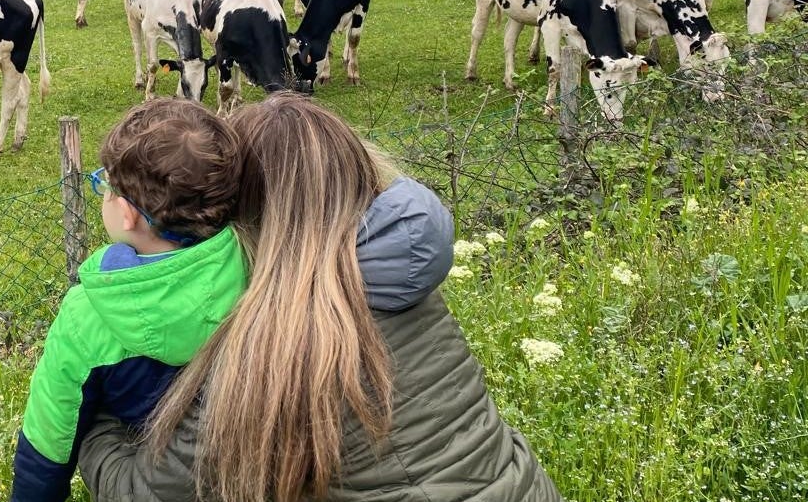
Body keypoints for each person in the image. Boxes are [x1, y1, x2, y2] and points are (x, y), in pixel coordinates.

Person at [78, 92, 563, 502]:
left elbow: (141, 492)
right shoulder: (399, 284)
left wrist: (93, 413)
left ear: (241, 215)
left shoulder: (269, 348)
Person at [10, 99, 247, 502]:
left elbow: (49, 437)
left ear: (127, 214)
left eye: (103, 183)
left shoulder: (89, 314)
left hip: (147, 474)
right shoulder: (261, 268)